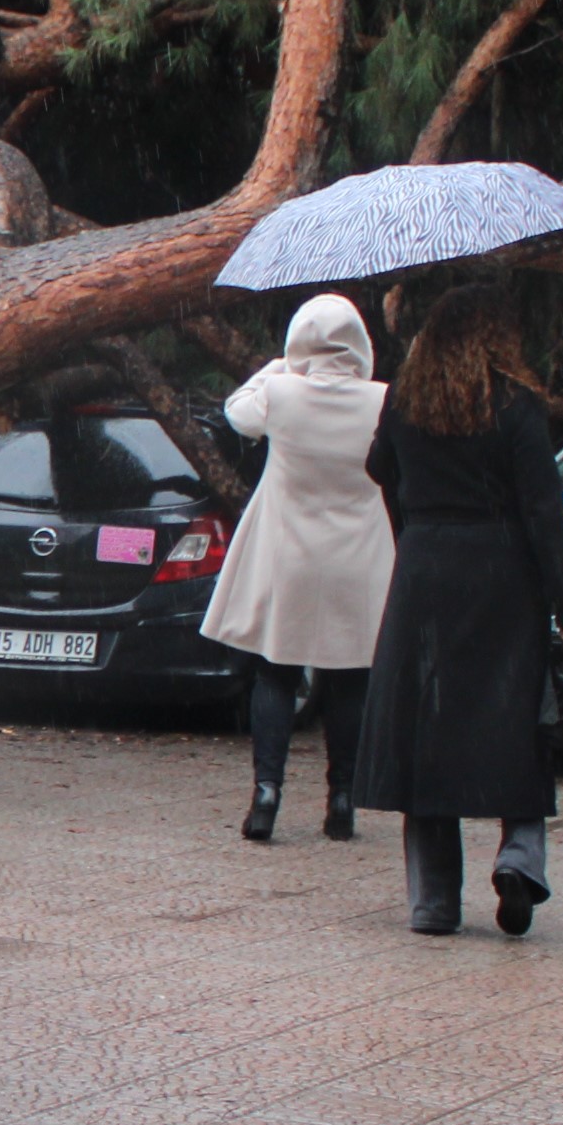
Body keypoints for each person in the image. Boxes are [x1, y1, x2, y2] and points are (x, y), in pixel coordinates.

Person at [356, 287, 563, 937]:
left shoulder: (406, 401)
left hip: (426, 573)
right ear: (496, 338)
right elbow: (545, 511)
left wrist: (416, 525)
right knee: (515, 721)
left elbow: (379, 467)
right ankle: (518, 861)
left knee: (426, 733)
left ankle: (434, 903)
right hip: (503, 578)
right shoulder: (515, 404)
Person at [204, 293, 394, 842]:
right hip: (358, 554)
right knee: (350, 677)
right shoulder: (383, 400)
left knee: (276, 671)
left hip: (290, 554)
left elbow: (237, 412)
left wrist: (279, 367)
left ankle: (267, 791)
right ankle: (343, 797)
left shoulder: (282, 392)